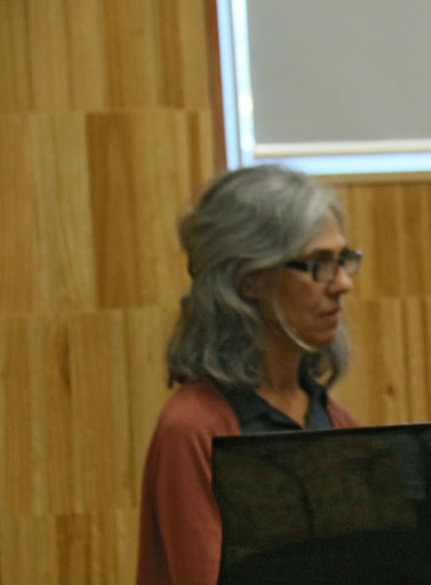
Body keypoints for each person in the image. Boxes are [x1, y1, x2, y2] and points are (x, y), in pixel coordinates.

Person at [136, 164, 361, 585]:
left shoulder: (335, 419)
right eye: (319, 264)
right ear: (248, 281)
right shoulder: (194, 428)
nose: (343, 284)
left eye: (344, 261)